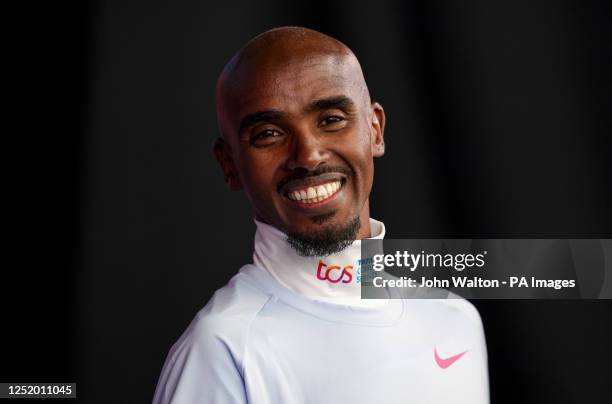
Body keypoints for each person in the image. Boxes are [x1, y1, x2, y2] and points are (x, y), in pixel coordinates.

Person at [153, 26, 489, 403]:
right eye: (268, 134)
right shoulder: (222, 349)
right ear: (229, 163)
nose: (308, 155)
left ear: (375, 130)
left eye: (331, 119)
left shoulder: (455, 320)